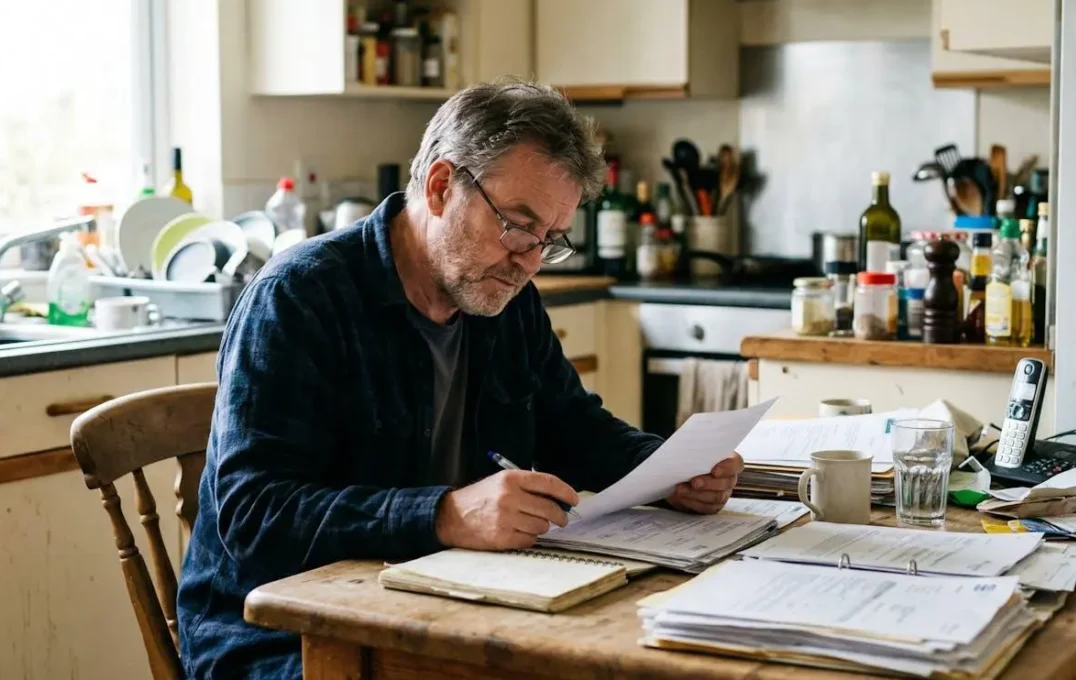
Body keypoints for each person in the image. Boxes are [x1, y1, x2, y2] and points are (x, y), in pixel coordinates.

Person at [176, 80, 744, 678]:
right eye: (518, 225)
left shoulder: (501, 293)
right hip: (273, 633)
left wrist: (669, 470)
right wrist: (444, 515)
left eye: (549, 241)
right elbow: (255, 515)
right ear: (442, 186)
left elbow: (572, 427)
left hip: (426, 600)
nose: (528, 261)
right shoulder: (300, 296)